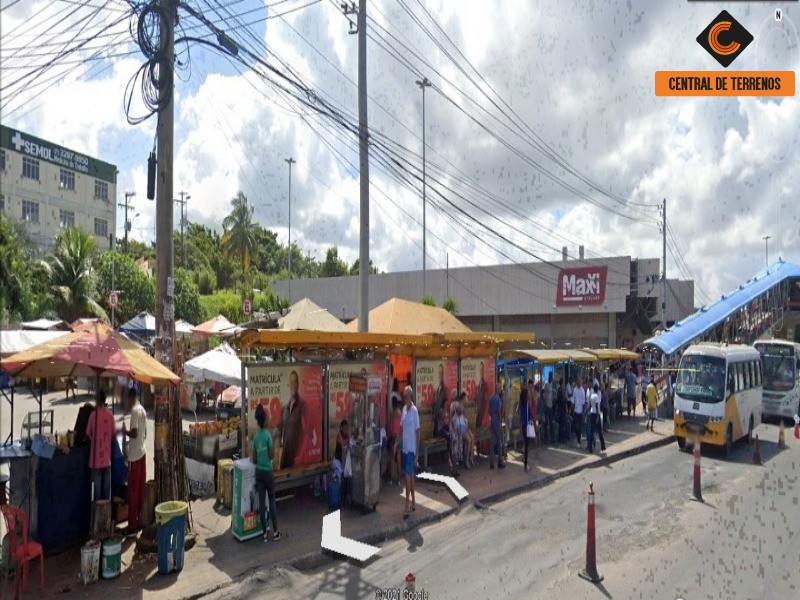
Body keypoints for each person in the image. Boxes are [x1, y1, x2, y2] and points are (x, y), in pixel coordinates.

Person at [252, 404, 281, 542]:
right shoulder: (268, 436)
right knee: (272, 501)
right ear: (265, 420)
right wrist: (271, 448)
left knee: (262, 503)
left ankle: (264, 533)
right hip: (268, 473)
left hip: (259, 473)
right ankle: (275, 532)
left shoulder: (256, 438)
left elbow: (255, 459)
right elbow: (271, 456)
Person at [122, 386, 147, 536]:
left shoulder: (134, 412)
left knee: (132, 491)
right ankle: (138, 521)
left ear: (131, 398)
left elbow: (136, 433)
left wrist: (125, 431)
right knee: (140, 490)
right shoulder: (142, 410)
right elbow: (144, 434)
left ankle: (132, 527)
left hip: (134, 457)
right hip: (142, 453)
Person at [86, 389, 114, 501]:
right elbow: (113, 435)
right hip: (107, 459)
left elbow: (88, 434)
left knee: (97, 495)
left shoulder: (93, 415)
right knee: (106, 493)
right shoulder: (110, 414)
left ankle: (97, 517)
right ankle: (105, 516)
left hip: (96, 460)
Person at [396, 386, 419, 518]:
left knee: (408, 476)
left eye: (405, 396)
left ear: (410, 396)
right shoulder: (404, 409)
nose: (404, 398)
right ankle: (414, 502)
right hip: (404, 447)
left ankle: (407, 505)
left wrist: (416, 452)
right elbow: (401, 427)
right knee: (410, 477)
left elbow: (418, 431)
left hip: (411, 449)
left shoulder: (414, 411)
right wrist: (396, 443)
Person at [280, 370, 307, 470]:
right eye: (291, 382)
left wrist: (299, 456)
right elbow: (283, 433)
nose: (293, 385)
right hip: (285, 459)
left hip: (296, 461)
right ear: (289, 385)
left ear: (298, 384)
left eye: (295, 382)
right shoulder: (286, 408)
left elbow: (306, 433)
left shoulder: (302, 405)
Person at [433, 380, 457, 476]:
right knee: (448, 438)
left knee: (450, 437)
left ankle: (451, 461)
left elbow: (449, 421)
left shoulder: (446, 412)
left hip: (446, 430)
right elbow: (441, 422)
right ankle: (449, 460)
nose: (447, 405)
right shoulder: (441, 411)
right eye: (446, 404)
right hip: (440, 430)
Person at [452, 391, 475, 469]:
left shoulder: (463, 405)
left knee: (472, 437)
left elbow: (465, 416)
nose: (467, 399)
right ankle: (466, 460)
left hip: (464, 425)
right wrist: (463, 406)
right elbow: (459, 412)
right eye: (466, 398)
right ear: (463, 398)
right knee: (468, 440)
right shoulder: (457, 404)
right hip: (459, 426)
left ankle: (471, 457)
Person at [335, 420, 352, 505]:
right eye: (345, 428)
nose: (346, 430)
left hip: (344, 459)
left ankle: (347, 494)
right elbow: (342, 443)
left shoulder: (346, 434)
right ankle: (341, 496)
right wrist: (339, 431)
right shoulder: (339, 434)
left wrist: (348, 434)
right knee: (341, 475)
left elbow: (350, 440)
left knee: (347, 475)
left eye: (347, 428)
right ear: (341, 428)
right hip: (338, 460)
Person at [488, 386, 506, 469]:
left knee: (492, 442)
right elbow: (499, 411)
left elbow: (489, 410)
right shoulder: (498, 399)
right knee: (499, 442)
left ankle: (491, 462)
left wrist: (492, 416)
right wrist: (501, 420)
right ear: (498, 391)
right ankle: (500, 461)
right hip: (497, 423)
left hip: (492, 422)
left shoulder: (491, 398)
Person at [587, 383, 606, 453]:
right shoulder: (597, 397)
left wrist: (585, 412)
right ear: (597, 389)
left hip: (592, 414)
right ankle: (603, 446)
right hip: (596, 414)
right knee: (600, 431)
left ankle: (590, 448)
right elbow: (597, 405)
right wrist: (598, 416)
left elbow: (590, 406)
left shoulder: (591, 396)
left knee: (591, 432)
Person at [519, 386, 533, 471]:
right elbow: (531, 414)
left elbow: (520, 414)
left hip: (523, 425)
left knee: (525, 442)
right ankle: (526, 464)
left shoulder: (521, 403)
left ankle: (524, 458)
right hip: (527, 425)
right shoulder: (528, 404)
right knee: (527, 444)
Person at [572, 376, 586, 447]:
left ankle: (578, 441)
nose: (579, 383)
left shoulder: (582, 390)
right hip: (575, 411)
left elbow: (584, 402)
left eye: (580, 381)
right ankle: (579, 436)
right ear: (576, 382)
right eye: (578, 381)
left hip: (580, 412)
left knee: (579, 427)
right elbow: (573, 401)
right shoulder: (574, 390)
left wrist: (583, 413)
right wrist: (572, 409)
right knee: (574, 426)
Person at [543, 373, 555, 443]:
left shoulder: (551, 384)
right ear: (549, 376)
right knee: (546, 423)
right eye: (550, 376)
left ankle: (552, 438)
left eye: (551, 376)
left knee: (551, 423)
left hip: (551, 405)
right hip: (547, 405)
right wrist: (544, 401)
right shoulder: (546, 384)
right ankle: (546, 439)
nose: (551, 377)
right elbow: (543, 392)